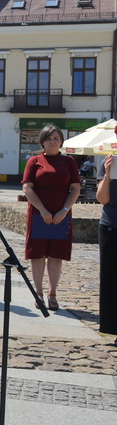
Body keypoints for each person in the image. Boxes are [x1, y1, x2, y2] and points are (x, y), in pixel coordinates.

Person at [21, 125, 81, 311]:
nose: (52, 142)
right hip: (39, 214)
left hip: (61, 216)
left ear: (61, 141)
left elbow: (75, 188)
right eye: (49, 138)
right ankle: (38, 293)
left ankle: (52, 293)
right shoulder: (34, 161)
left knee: (56, 255)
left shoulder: (69, 161)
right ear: (42, 141)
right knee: (37, 255)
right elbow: (27, 188)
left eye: (56, 138)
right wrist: (42, 210)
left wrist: (64, 210)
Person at [96, 128, 116, 346]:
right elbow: (102, 199)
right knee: (111, 279)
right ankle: (113, 327)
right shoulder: (108, 162)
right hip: (111, 224)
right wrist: (109, 173)